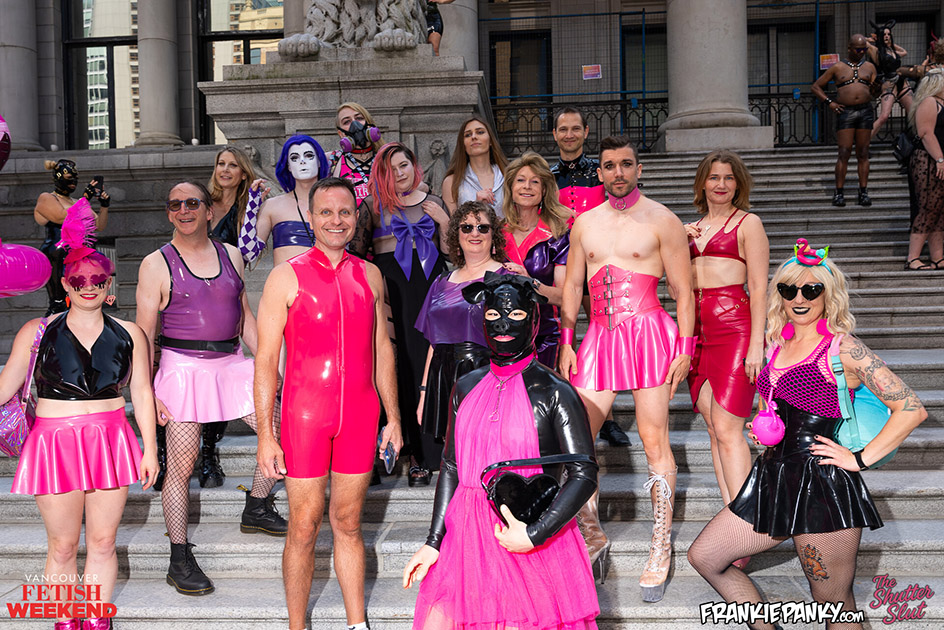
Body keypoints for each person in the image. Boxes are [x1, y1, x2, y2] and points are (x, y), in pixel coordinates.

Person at [688, 240, 927, 630]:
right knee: (706, 557)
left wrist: (859, 459)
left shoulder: (843, 348)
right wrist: (766, 429)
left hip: (822, 487)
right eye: (789, 289)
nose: (799, 298)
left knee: (833, 604)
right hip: (773, 477)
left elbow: (912, 408)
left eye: (811, 290)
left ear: (827, 295)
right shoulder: (777, 344)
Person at [403, 273, 600, 630]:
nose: (503, 325)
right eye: (493, 315)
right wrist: (434, 542)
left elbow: (584, 473)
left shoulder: (556, 391)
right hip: (466, 540)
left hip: (529, 536)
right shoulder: (465, 385)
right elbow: (451, 465)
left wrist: (535, 533)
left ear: (534, 319)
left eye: (516, 315)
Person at [254, 177, 403, 630]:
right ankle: (297, 626)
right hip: (304, 416)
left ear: (356, 217)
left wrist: (394, 418)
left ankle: (357, 624)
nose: (336, 221)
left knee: (349, 522)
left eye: (344, 212)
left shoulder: (371, 275)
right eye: (326, 212)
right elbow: (265, 361)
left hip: (360, 415)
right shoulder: (285, 276)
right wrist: (265, 436)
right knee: (303, 526)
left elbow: (382, 349)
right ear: (311, 218)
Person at [4, 199, 157, 630]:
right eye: (78, 280)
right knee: (63, 545)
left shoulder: (131, 333)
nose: (88, 287)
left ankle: (96, 620)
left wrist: (150, 449)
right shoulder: (36, 332)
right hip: (54, 442)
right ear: (65, 285)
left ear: (109, 285)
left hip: (111, 438)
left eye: (97, 279)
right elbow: (5, 387)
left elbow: (142, 391)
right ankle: (64, 621)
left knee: (104, 541)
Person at [558, 135, 695, 599]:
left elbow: (684, 291)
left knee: (654, 440)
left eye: (626, 164)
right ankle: (591, 532)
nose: (618, 172)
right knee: (577, 438)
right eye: (610, 165)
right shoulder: (584, 223)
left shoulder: (663, 220)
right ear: (599, 172)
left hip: (650, 335)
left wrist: (686, 348)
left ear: (639, 169)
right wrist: (567, 342)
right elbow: (572, 286)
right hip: (598, 336)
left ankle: (661, 544)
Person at [136, 181, 287, 597]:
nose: (183, 210)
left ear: (208, 211)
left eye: (192, 203)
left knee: (280, 428)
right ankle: (179, 556)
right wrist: (149, 391)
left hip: (231, 363)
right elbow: (143, 334)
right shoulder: (155, 263)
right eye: (175, 204)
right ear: (169, 213)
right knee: (181, 466)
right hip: (181, 369)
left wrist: (271, 367)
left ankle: (257, 505)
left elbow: (245, 317)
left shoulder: (231, 255)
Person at [685, 151, 769, 563]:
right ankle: (733, 519)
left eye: (729, 178)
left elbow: (760, 286)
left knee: (728, 428)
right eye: (714, 177)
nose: (721, 184)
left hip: (735, 329)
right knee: (713, 430)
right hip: (697, 336)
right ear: (702, 182)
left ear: (739, 184)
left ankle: (750, 526)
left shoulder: (748, 223)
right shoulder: (690, 229)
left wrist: (757, 345)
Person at [350, 142, 450, 487]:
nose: (399, 173)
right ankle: (396, 449)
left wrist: (444, 221)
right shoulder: (371, 206)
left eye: (404, 165)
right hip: (392, 294)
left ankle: (428, 452)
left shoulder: (434, 202)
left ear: (414, 165)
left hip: (431, 291)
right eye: (390, 169)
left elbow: (451, 253)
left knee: (429, 366)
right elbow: (356, 257)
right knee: (396, 366)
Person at [550, 106, 630, 448]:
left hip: (597, 264)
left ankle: (606, 417)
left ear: (585, 132)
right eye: (563, 129)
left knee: (604, 336)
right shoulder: (547, 176)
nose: (569, 134)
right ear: (555, 134)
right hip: (559, 264)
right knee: (559, 337)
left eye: (575, 128)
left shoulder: (602, 172)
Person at [185, 145, 258, 491]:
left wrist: (255, 203)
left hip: (225, 298)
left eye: (232, 165)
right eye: (221, 164)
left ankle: (209, 453)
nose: (225, 170)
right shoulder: (201, 203)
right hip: (191, 296)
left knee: (219, 378)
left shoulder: (246, 209)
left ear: (243, 173)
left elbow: (249, 251)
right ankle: (176, 455)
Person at [415, 201, 507, 446]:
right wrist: (424, 392)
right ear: (456, 234)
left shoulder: (506, 278)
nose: (474, 233)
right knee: (453, 453)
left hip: (486, 375)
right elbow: (434, 343)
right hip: (442, 378)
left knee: (484, 450)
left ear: (494, 235)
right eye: (466, 227)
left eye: (482, 227)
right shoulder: (441, 282)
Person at [500, 152, 572, 370]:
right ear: (511, 188)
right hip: (502, 335)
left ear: (544, 190)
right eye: (520, 180)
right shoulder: (496, 233)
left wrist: (531, 283)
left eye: (535, 182)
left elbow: (565, 297)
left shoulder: (557, 236)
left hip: (545, 338)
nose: (527, 187)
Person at [238, 134, 329, 266]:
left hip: (329, 277)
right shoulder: (272, 206)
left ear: (319, 161)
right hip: (287, 278)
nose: (302, 161)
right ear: (288, 166)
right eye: (294, 158)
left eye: (309, 155)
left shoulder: (335, 203)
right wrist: (252, 207)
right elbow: (247, 253)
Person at [33, 159, 110, 316]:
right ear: (58, 178)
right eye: (69, 178)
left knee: (81, 299)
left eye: (75, 178)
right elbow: (61, 217)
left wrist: (104, 206)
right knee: (58, 303)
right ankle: (54, 319)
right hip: (58, 254)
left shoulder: (77, 202)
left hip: (81, 255)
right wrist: (85, 199)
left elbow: (98, 225)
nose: (73, 182)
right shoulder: (47, 198)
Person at [811, 34, 878, 207]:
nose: (861, 52)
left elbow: (875, 93)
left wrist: (876, 88)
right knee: (844, 151)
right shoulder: (837, 67)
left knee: (863, 152)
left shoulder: (870, 67)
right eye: (858, 49)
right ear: (849, 48)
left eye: (864, 49)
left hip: (865, 110)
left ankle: (863, 191)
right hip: (845, 111)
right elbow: (816, 86)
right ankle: (839, 192)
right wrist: (830, 103)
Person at [904, 67, 944, 270]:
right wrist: (939, 159)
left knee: (939, 211)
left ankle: (938, 257)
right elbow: (926, 133)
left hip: (937, 160)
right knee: (928, 208)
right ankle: (913, 258)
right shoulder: (929, 102)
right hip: (928, 161)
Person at [441, 116, 509, 216]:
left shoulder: (508, 175)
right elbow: (452, 223)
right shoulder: (451, 182)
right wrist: (476, 206)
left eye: (480, 132)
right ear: (463, 144)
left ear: (490, 140)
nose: (474, 137)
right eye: (468, 135)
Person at [330, 103, 383, 205]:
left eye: (359, 118)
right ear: (341, 133)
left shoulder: (387, 157)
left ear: (369, 123)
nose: (355, 124)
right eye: (346, 122)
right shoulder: (333, 159)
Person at [867, 21, 913, 138]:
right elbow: (860, 41)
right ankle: (864, 142)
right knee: (883, 117)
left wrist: (892, 43)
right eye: (884, 34)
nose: (887, 36)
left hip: (902, 82)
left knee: (914, 113)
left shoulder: (892, 51)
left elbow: (904, 52)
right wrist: (872, 39)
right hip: (889, 83)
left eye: (889, 34)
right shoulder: (876, 51)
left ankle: (917, 141)